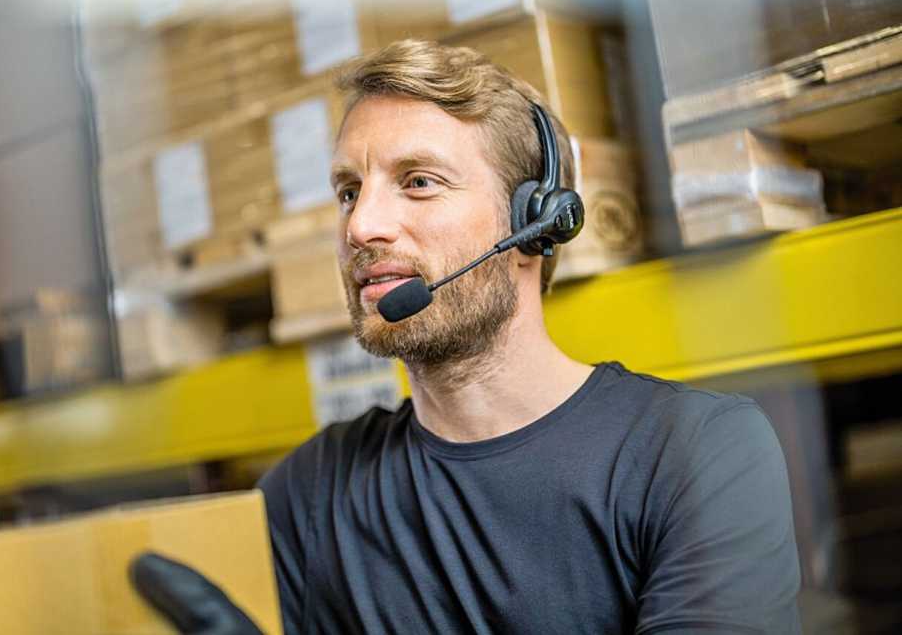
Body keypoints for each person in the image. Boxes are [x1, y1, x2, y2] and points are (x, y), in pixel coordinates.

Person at [132, 40, 802, 634]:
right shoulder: (313, 491)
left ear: (533, 225)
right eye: (347, 191)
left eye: (418, 182)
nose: (361, 226)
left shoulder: (696, 455)